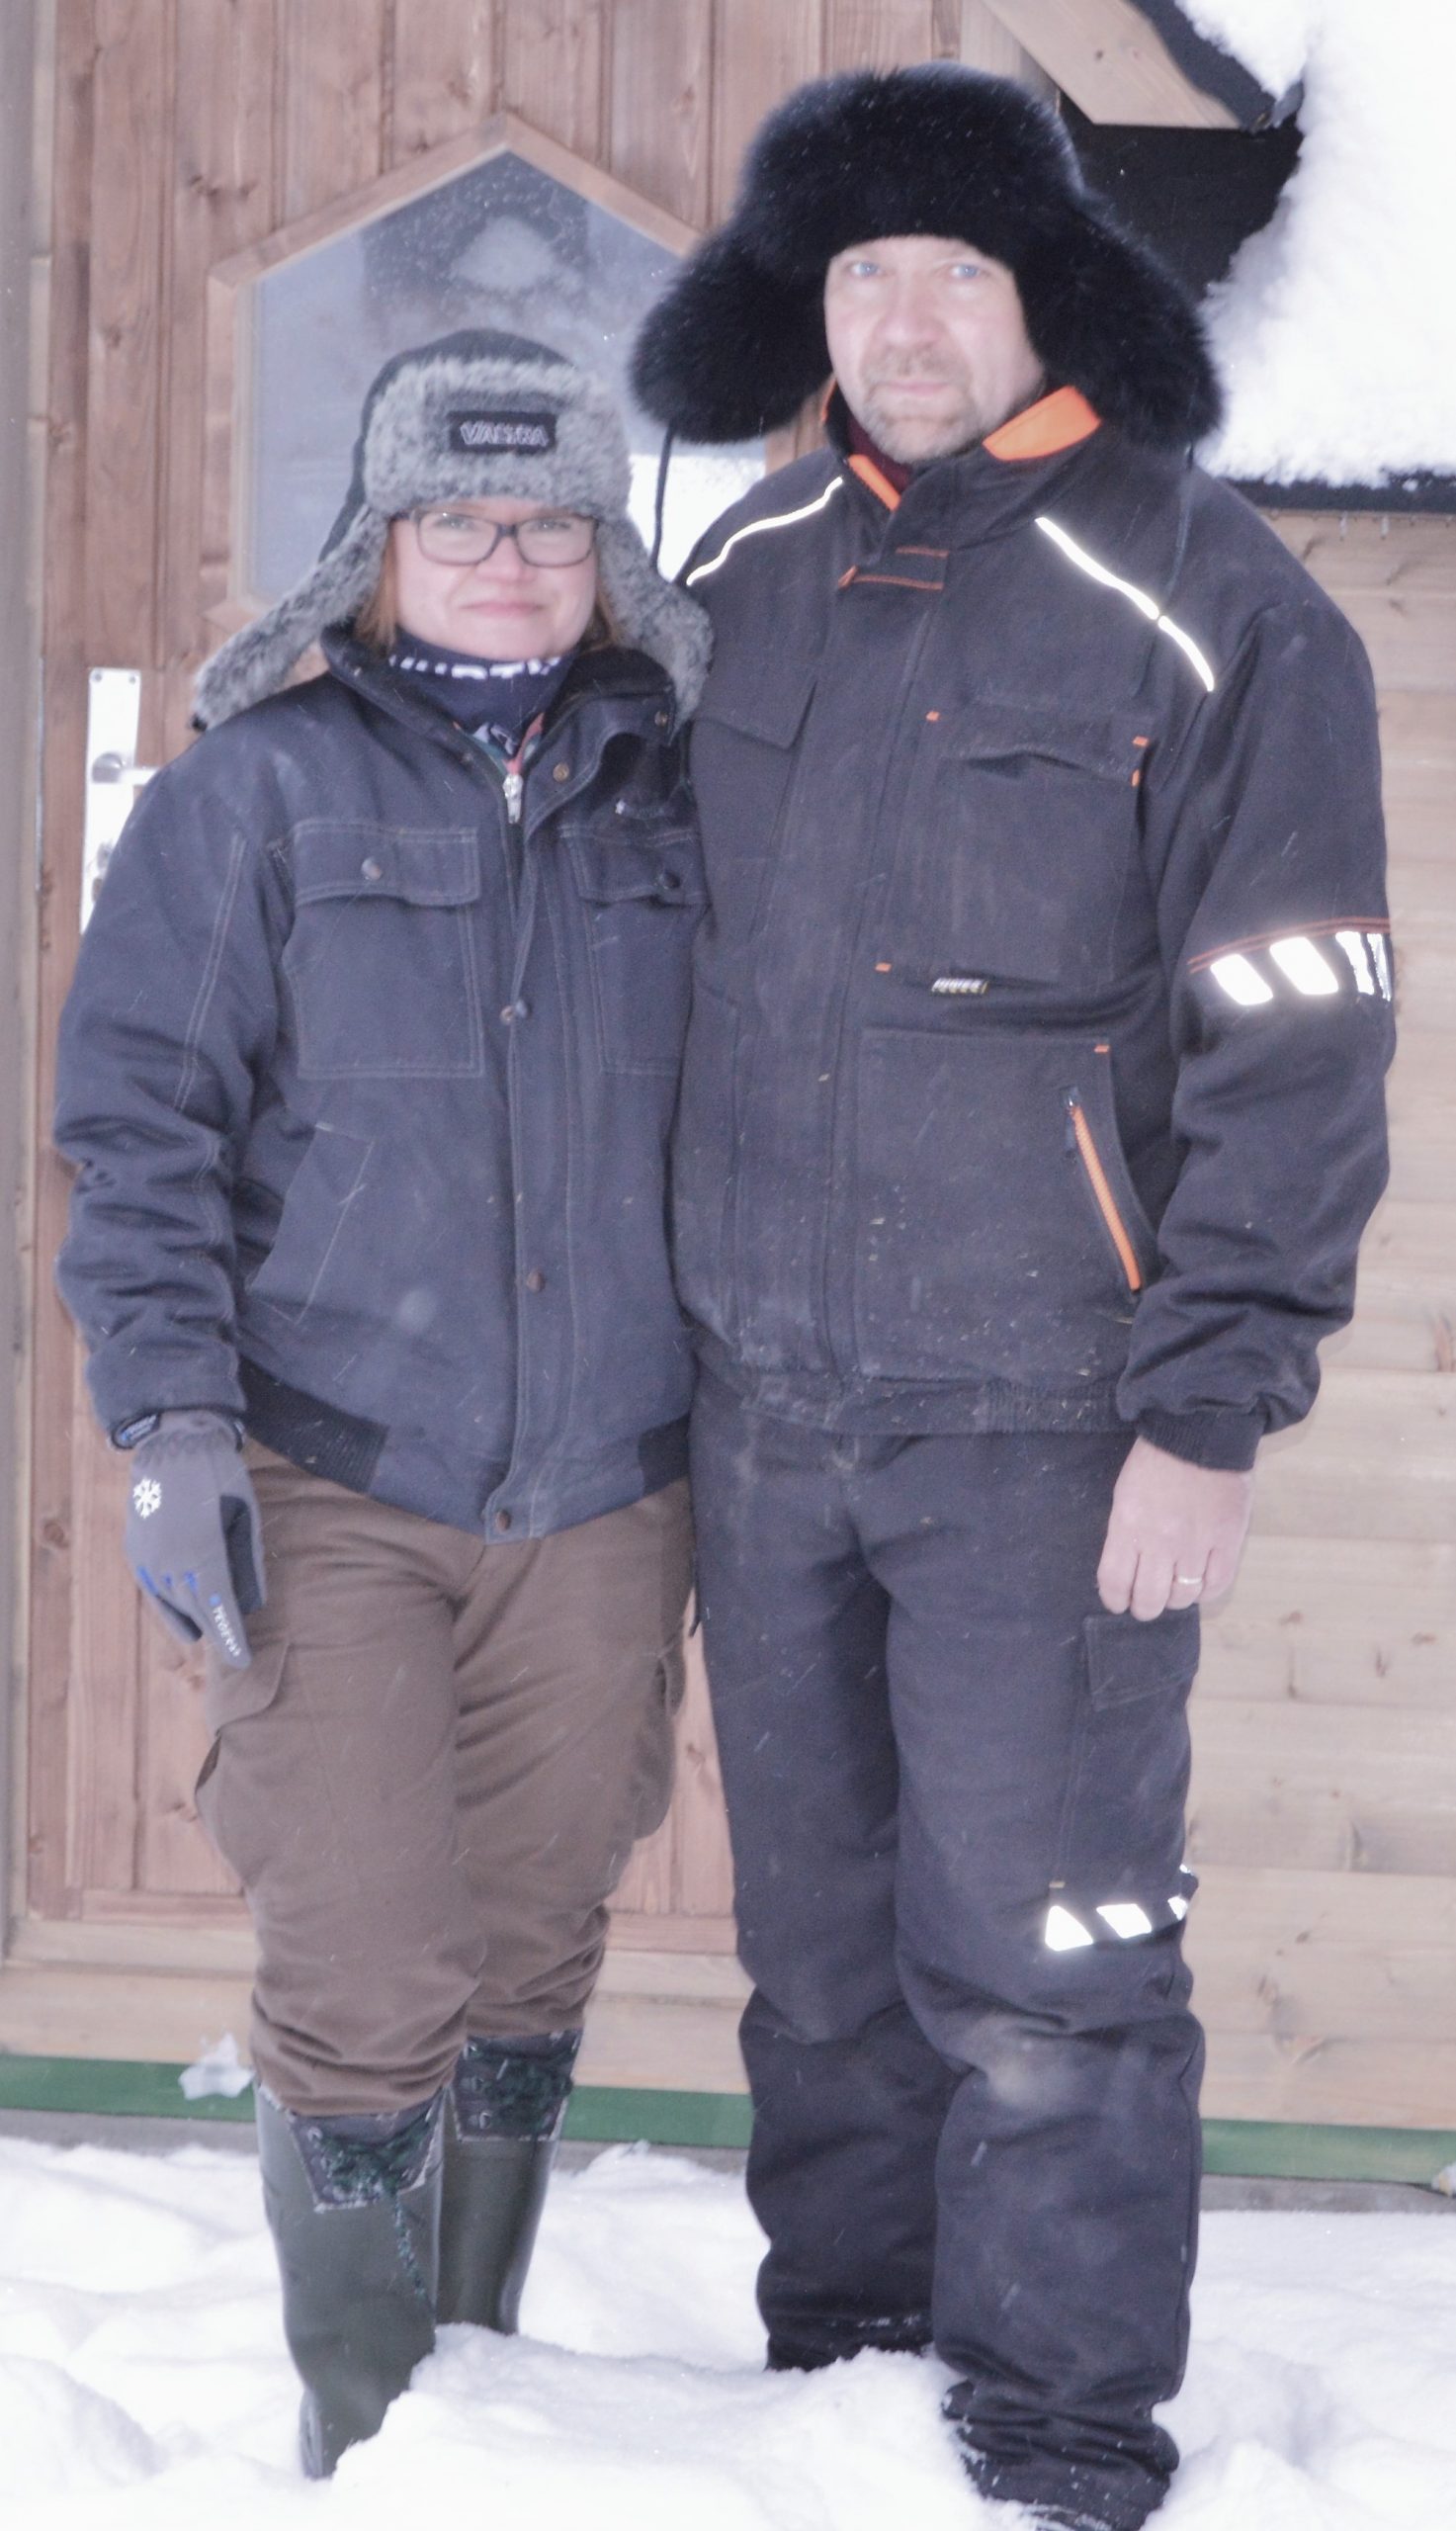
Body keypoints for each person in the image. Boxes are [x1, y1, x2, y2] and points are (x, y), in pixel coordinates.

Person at [633, 66, 1393, 2531]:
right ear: (804, 305)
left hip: (1050, 1423)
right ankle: (839, 2384)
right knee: (820, 1970)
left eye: (952, 269)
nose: (904, 321)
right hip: (764, 1412)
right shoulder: (739, 556)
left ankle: (1052, 2442)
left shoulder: (1208, 593)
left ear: (1047, 286)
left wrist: (1211, 1404)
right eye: (858, 275)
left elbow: (1294, 1029)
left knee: (1047, 1966)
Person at [53, 329, 710, 2476]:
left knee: (526, 1946)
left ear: (606, 554)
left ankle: (480, 2412)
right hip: (326, 1467)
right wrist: (166, 1429)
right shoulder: (253, 791)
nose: (508, 562)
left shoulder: (688, 783)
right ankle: (375, 2431)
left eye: (550, 524)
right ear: (377, 549)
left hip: (609, 1488)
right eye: (460, 521)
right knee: (361, 1947)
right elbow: (138, 1123)